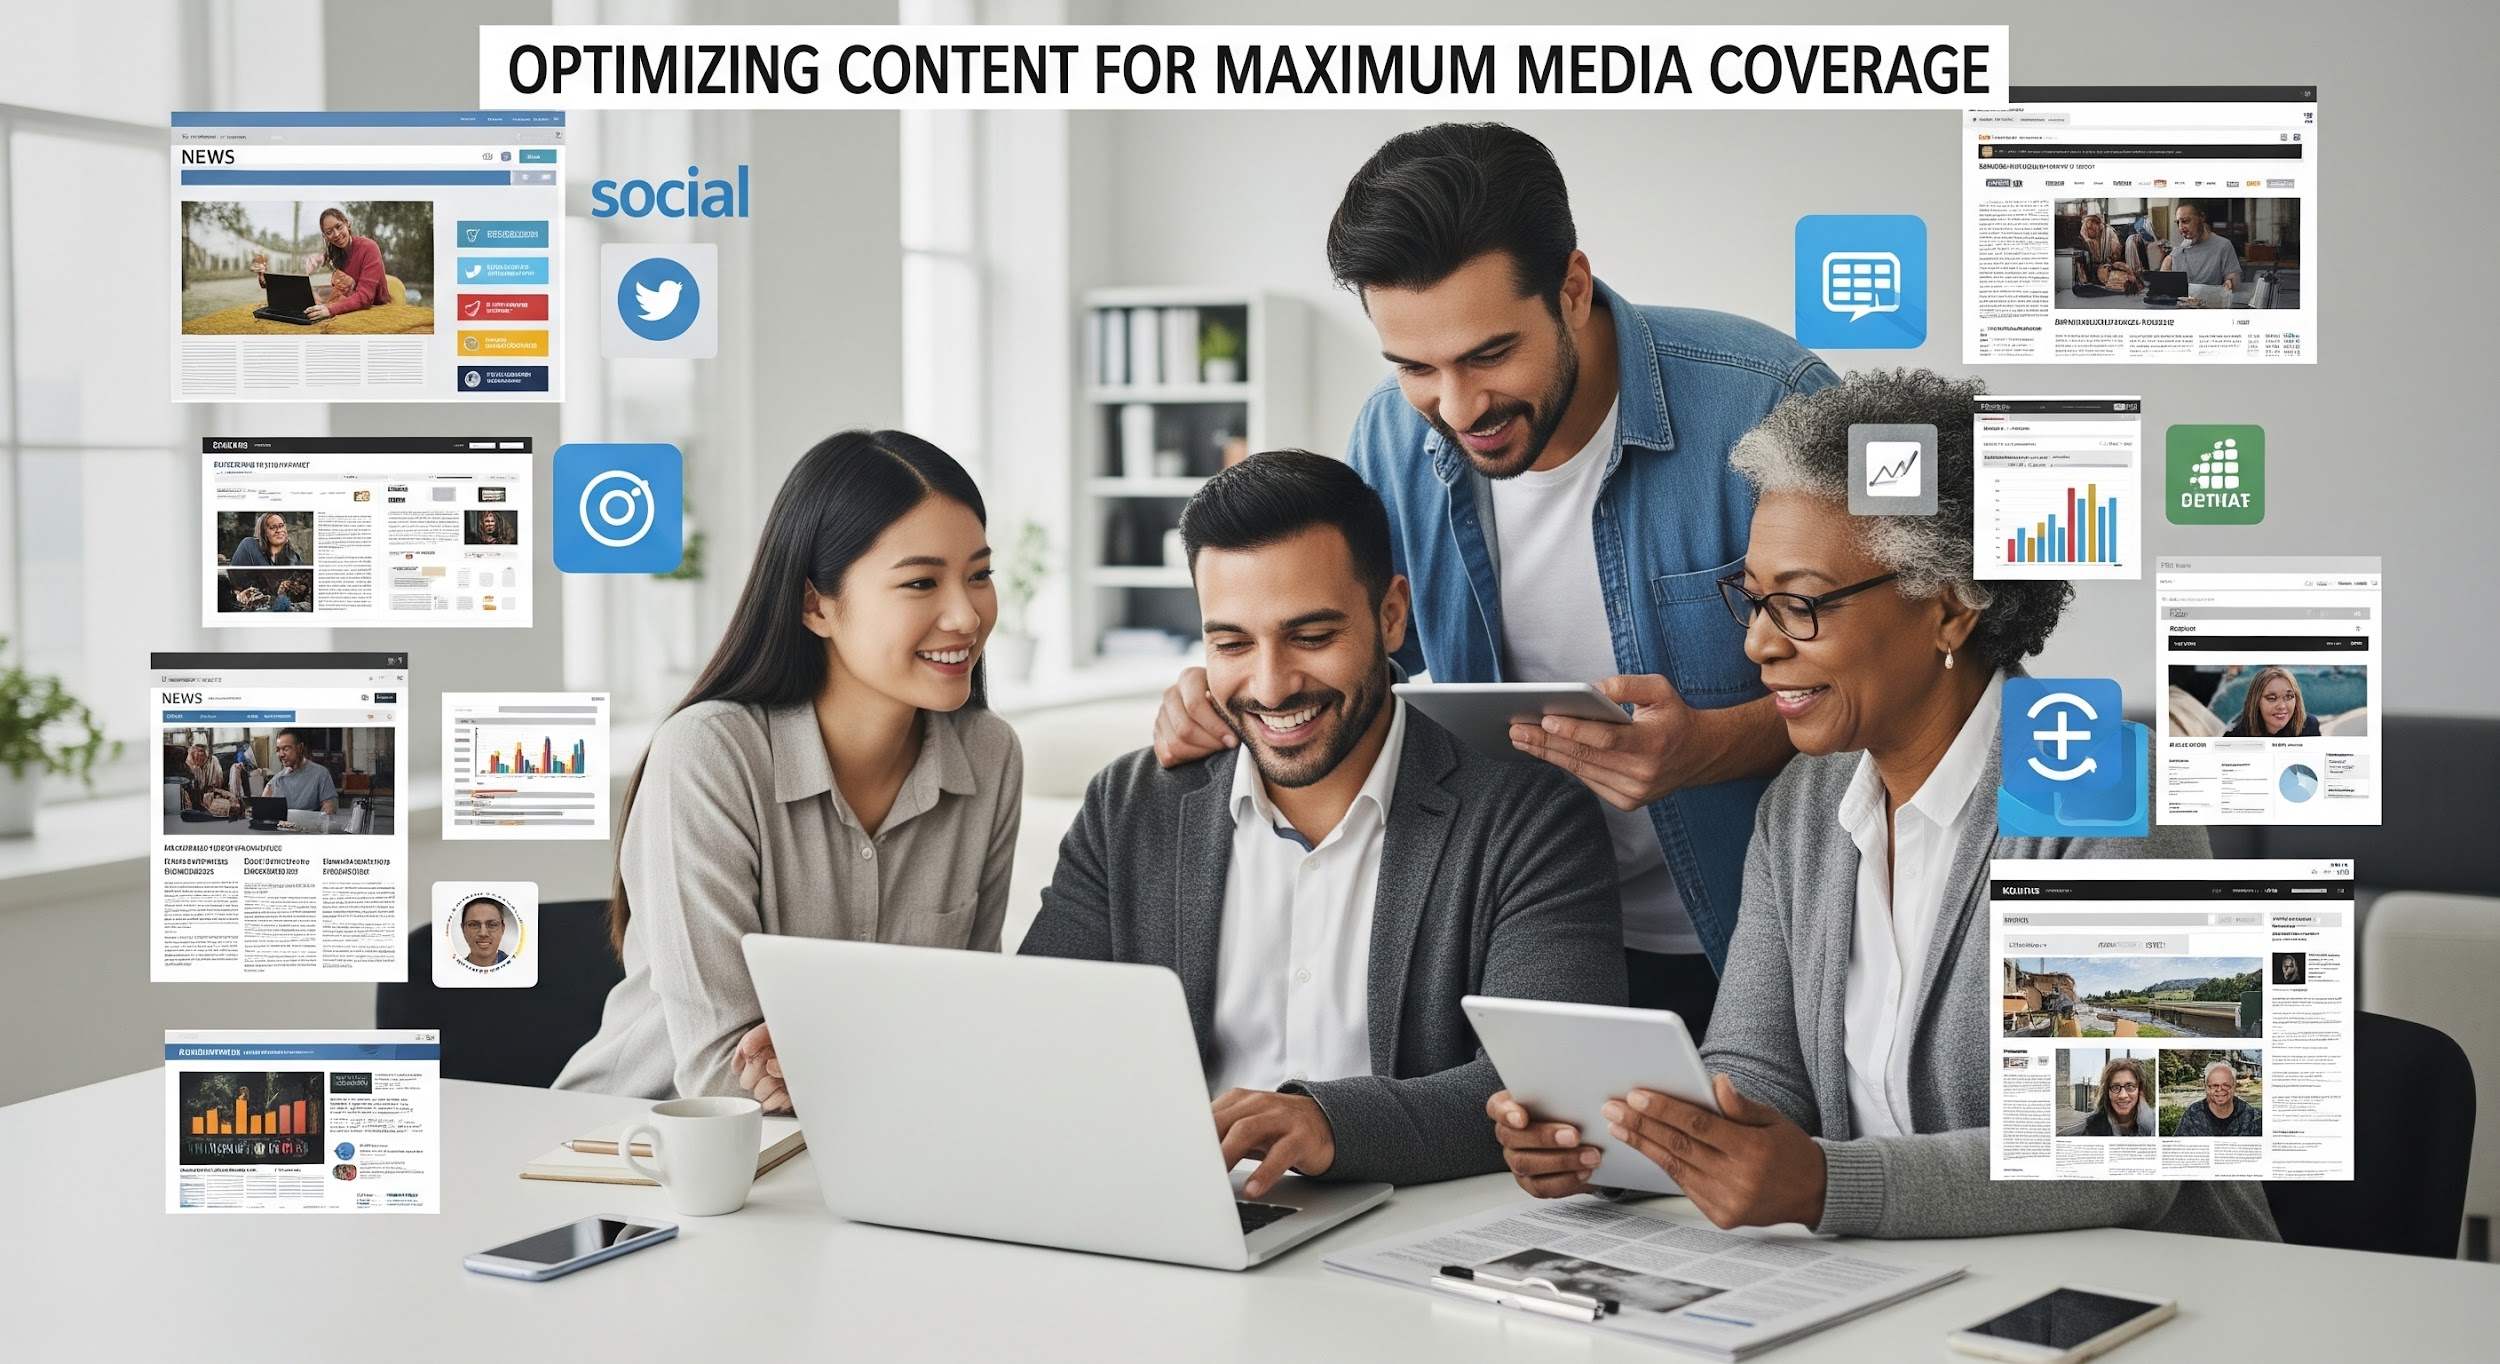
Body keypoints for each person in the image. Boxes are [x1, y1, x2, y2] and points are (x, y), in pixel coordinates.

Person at [1483, 370, 2277, 1241]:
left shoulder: (2113, 789)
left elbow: (2120, 1147)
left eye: (1801, 604)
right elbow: (1757, 1071)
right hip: (1914, 1294)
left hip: (2151, 1300)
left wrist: (1828, 1184)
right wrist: (1633, 1145)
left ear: (1949, 609)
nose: (1757, 645)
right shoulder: (1804, 805)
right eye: (1752, 600)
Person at [1152, 124, 1836, 1034]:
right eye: (1415, 368)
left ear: (1573, 288)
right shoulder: (1391, 441)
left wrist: (1710, 747)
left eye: (1487, 355)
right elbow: (1366, 661)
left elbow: (1898, 676)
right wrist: (1233, 692)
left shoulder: (1771, 403)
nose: (1459, 407)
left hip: (1769, 945)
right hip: (1523, 933)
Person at [1023, 451, 1626, 1196]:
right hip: (1173, 1213)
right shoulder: (1131, 806)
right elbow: (1039, 1038)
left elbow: (1546, 1086)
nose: (1271, 686)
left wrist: (1327, 1122)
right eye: (1232, 644)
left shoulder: (1526, 816)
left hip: (1405, 1237)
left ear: (1392, 614)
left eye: (1311, 636)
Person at [555, 431, 1023, 1110]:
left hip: (861, 1152)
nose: (966, 614)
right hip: (636, 1155)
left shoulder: (989, 754)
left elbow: (967, 1026)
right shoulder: (708, 755)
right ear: (816, 605)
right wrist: (908, 1056)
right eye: (921, 582)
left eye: (979, 574)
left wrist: (828, 1058)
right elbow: (722, 1076)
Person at [253, 207, 388, 320]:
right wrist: (268, 281)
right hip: (350, 302)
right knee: (310, 293)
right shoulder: (336, 254)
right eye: (329, 232)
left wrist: (329, 309)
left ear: (347, 223)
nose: (336, 234)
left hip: (375, 307)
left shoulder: (369, 248)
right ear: (325, 236)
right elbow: (300, 278)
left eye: (339, 226)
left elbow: (365, 296)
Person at [2159, 202, 2240, 292]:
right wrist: (2166, 264)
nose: (2181, 228)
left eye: (2185, 221)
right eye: (2178, 222)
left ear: (2201, 217)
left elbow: (2234, 285)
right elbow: (2162, 291)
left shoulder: (2223, 246)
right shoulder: (2177, 253)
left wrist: (2230, 283)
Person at [2175, 1060, 2263, 1136]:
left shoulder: (2252, 1117)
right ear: (2206, 1087)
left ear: (2234, 1086)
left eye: (2226, 1085)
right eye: (2214, 1085)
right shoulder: (2192, 1114)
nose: (2220, 1089)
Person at [2224, 666, 2318, 736]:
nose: (2281, 706)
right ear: (2256, 701)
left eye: (2288, 697)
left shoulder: (2310, 726)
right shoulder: (2235, 733)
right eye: (2272, 698)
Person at [263, 730, 338, 815]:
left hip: (310, 826)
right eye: (278, 749)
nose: (281, 754)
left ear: (300, 747)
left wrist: (327, 810)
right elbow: (262, 808)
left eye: (286, 749)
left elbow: (329, 809)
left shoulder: (320, 774)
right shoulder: (276, 780)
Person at [2080, 1057, 2155, 1136]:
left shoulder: (2155, 1124)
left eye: (2130, 1087)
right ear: (2107, 1092)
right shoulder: (2089, 1128)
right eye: (2115, 1087)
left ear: (2140, 1091)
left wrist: (2147, 1126)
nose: (2122, 1095)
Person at [2076, 211, 2135, 291]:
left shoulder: (2109, 234)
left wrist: (2107, 263)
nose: (2091, 231)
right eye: (2089, 229)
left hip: (2109, 265)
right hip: (2094, 267)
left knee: (2112, 272)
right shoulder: (2084, 233)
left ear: (2099, 225)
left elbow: (2115, 256)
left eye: (2092, 228)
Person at [458, 896, 513, 970]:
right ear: (463, 929)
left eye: (492, 925)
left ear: (502, 929)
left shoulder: (519, 971)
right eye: (474, 925)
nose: (483, 933)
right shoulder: (452, 974)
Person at [229, 513, 301, 568]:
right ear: (264, 532)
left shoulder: (293, 556)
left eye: (281, 526)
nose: (279, 530)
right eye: (273, 527)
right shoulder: (250, 545)